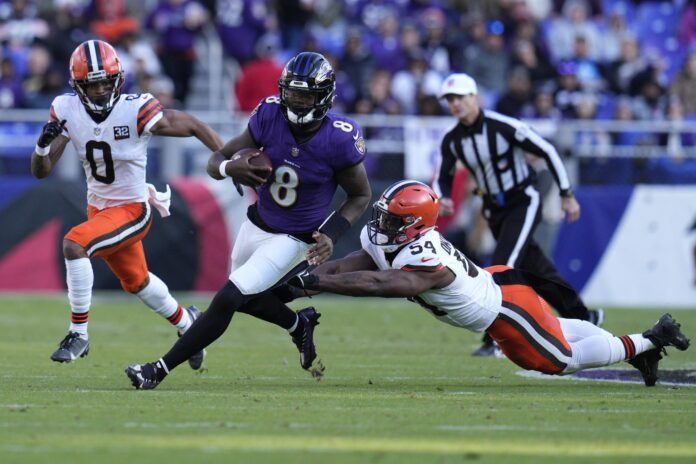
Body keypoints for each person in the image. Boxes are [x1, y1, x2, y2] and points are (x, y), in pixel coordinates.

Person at [125, 52, 372, 390]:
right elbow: (218, 159)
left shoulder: (339, 138)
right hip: (256, 223)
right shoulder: (269, 114)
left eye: (306, 96)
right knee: (246, 300)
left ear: (325, 97)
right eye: (293, 94)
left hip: (296, 237)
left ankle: (158, 369)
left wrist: (331, 233)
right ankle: (299, 325)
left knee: (228, 298)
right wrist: (230, 168)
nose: (298, 103)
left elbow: (360, 195)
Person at [287, 181, 690, 387]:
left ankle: (650, 339)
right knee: (558, 334)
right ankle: (641, 347)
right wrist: (307, 280)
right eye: (384, 214)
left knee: (556, 360)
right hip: (495, 286)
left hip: (503, 308)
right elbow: (359, 262)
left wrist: (320, 284)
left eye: (393, 219)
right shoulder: (389, 238)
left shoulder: (429, 262)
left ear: (415, 225)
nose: (382, 224)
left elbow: (379, 282)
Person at [30, 40, 224, 368]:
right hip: (100, 209)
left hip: (133, 209)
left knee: (74, 244)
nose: (103, 90)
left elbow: (192, 125)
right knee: (137, 281)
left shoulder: (135, 108)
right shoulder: (66, 109)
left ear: (118, 79)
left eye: (107, 81)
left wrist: (227, 159)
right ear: (78, 87)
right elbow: (42, 171)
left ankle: (78, 333)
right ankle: (189, 326)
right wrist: (42, 146)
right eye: (94, 84)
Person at [435, 73, 603, 357]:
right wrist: (443, 198)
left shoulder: (502, 126)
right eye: (450, 99)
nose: (455, 104)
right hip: (494, 208)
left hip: (522, 200)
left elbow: (547, 149)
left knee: (502, 267)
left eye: (460, 97)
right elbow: (444, 176)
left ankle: (496, 339)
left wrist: (566, 193)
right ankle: (584, 316)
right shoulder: (453, 140)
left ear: (475, 97)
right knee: (536, 267)